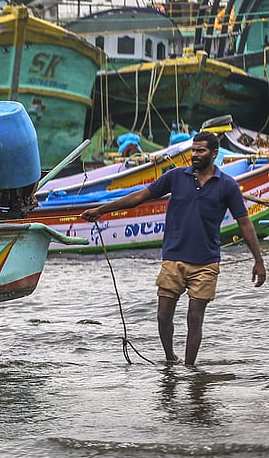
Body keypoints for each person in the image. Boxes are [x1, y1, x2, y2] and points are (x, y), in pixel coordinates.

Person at [81, 130, 265, 365]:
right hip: (173, 258)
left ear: (214, 153)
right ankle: (170, 358)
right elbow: (139, 196)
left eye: (201, 150)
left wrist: (258, 261)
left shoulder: (227, 186)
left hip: (206, 263)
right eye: (193, 150)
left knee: (195, 319)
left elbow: (244, 223)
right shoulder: (176, 177)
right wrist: (101, 210)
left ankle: (190, 369)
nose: (195, 155)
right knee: (162, 316)